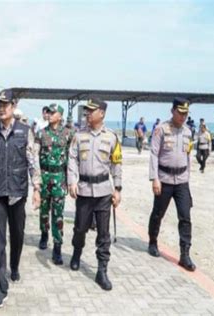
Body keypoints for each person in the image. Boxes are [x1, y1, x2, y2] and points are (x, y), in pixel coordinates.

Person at [0, 89, 41, 309]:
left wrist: (37, 188)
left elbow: (33, 161)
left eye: (5, 104)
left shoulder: (25, 132)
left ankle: (14, 266)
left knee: (17, 235)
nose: (1, 108)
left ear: (13, 107)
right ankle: (1, 288)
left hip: (17, 193)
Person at [67, 97, 122, 291]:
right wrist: (72, 181)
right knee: (80, 228)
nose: (87, 113)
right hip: (83, 190)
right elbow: (72, 159)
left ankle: (102, 271)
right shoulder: (79, 135)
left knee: (104, 233)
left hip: (103, 193)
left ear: (102, 113)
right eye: (87, 111)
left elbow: (116, 164)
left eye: (91, 111)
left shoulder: (112, 137)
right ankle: (76, 253)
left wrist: (118, 189)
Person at [148, 97, 196, 271]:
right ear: (172, 111)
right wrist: (155, 178)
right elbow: (154, 154)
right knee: (158, 214)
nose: (183, 117)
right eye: (180, 113)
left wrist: (188, 182)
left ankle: (185, 254)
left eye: (186, 114)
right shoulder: (161, 130)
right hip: (165, 179)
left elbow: (188, 157)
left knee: (185, 217)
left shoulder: (188, 132)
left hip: (182, 180)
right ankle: (153, 241)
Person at [35, 103, 75, 265]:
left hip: (59, 177)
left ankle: (57, 247)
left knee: (58, 213)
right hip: (45, 176)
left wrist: (72, 180)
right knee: (44, 209)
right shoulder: (41, 133)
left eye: (53, 112)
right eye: (49, 112)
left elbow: (73, 157)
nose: (49, 114)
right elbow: (35, 156)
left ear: (60, 115)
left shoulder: (68, 133)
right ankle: (44, 234)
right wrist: (37, 180)